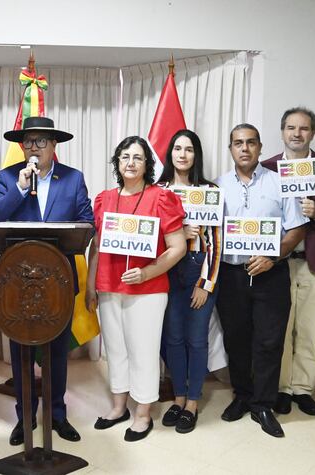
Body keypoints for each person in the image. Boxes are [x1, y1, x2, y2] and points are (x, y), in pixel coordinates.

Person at [0, 116, 93, 446]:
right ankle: (25, 417)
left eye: (41, 141)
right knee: (20, 354)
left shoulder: (73, 178)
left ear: (54, 146)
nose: (34, 147)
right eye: (29, 142)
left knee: (57, 354)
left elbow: (86, 222)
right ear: (22, 147)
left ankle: (57, 415)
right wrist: (19, 187)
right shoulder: (9, 177)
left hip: (59, 281)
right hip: (18, 284)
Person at [86, 136, 186, 441]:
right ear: (117, 162)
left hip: (148, 289)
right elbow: (97, 246)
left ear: (147, 164)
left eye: (138, 158)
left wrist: (146, 273)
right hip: (108, 286)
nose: (130, 162)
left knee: (143, 351)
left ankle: (143, 413)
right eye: (124, 156)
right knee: (115, 349)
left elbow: (178, 247)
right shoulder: (104, 198)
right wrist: (91, 285)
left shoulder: (161, 198)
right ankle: (119, 407)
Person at [215, 124, 308, 438]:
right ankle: (242, 396)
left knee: (269, 342)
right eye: (238, 143)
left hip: (271, 274)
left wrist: (273, 256)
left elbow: (296, 229)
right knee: (236, 339)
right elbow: (208, 232)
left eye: (250, 142)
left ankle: (263, 404)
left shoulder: (281, 184)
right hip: (230, 275)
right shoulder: (217, 187)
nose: (244, 148)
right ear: (231, 148)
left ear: (259, 147)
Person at [261, 107, 315, 417]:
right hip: (279, 261)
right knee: (280, 328)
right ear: (282, 131)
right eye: (291, 127)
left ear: (313, 132)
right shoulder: (267, 167)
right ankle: (282, 387)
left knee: (309, 328)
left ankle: (303, 388)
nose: (297, 133)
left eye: (304, 128)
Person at [156, 130, 221, 434]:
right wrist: (179, 233)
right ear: (170, 153)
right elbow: (150, 238)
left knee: (196, 339)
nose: (183, 154)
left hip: (199, 269)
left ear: (197, 155)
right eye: (177, 148)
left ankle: (193, 402)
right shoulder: (158, 190)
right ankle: (178, 399)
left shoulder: (210, 190)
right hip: (168, 270)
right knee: (173, 339)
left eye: (189, 149)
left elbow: (218, 242)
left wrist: (205, 283)